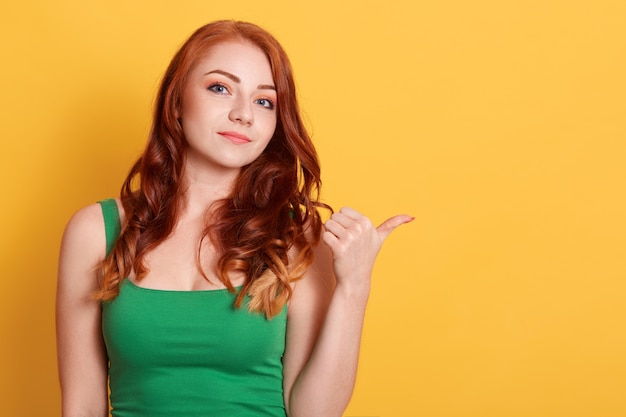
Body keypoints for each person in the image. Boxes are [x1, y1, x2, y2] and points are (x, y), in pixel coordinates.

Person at [56, 20, 412, 417]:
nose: (244, 114)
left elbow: (313, 413)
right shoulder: (96, 231)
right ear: (176, 101)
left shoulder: (295, 236)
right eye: (220, 88)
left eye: (264, 101)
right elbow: (82, 407)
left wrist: (355, 287)